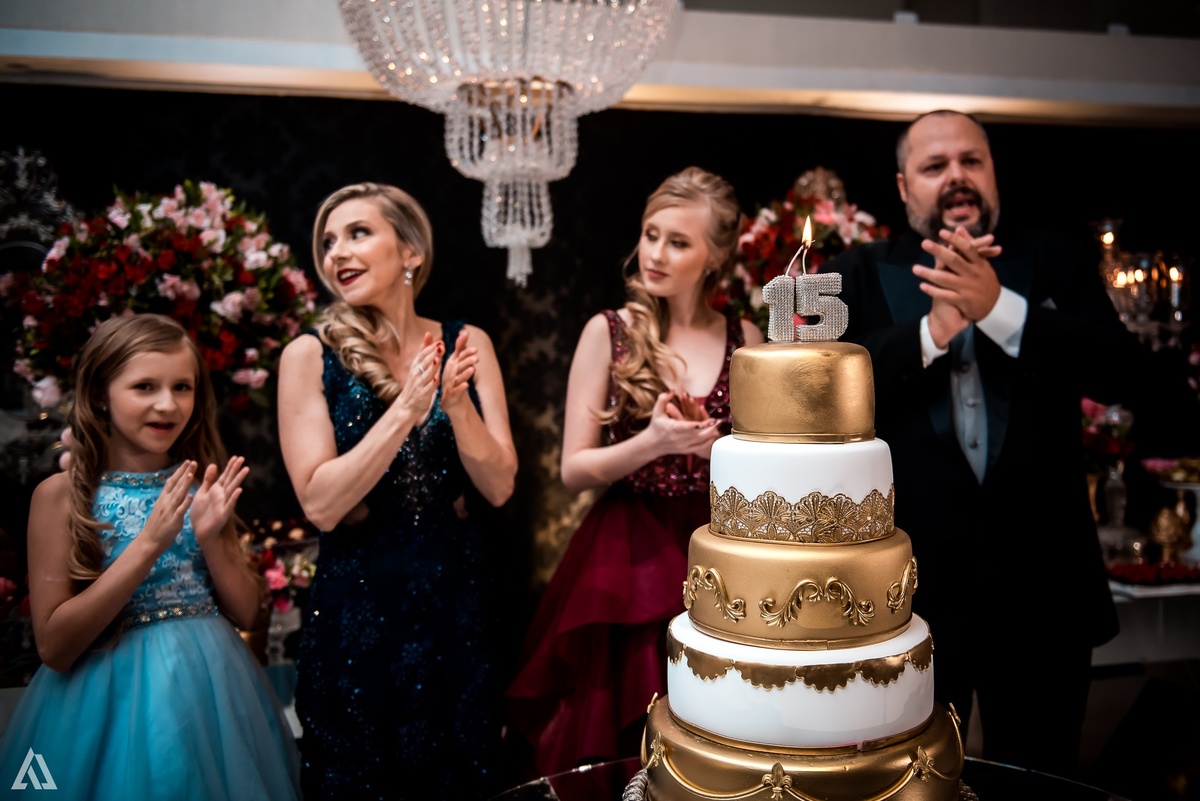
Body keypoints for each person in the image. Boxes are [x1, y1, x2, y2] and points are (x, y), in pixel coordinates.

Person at [818, 109, 1199, 778]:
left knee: (1044, 784)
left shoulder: (1057, 259)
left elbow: (1125, 375)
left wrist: (1001, 310)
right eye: (935, 166)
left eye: (972, 160)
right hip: (906, 599)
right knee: (909, 784)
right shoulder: (857, 271)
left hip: (1046, 595)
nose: (957, 177)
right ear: (904, 186)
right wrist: (929, 334)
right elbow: (822, 393)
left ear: (993, 172)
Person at [505, 166, 765, 778]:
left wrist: (712, 451)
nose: (655, 254)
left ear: (714, 257)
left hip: (717, 549)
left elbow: (762, 471)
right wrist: (653, 442)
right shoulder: (610, 332)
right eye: (651, 235)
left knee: (715, 728)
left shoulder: (747, 337)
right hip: (627, 552)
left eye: (678, 242)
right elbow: (574, 470)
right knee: (626, 728)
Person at [276, 182, 518, 800]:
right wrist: (407, 408)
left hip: (456, 608)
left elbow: (499, 487)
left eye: (358, 233)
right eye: (328, 242)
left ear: (410, 251)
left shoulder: (467, 342)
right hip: (356, 614)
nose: (337, 252)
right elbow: (321, 503)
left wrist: (457, 408)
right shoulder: (309, 355)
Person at [0, 313, 301, 801]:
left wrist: (211, 536)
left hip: (212, 696)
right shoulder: (61, 496)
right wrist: (146, 545)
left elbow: (250, 614)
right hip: (105, 702)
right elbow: (54, 648)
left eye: (182, 387)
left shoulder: (201, 485)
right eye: (144, 387)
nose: (168, 404)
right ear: (100, 393)